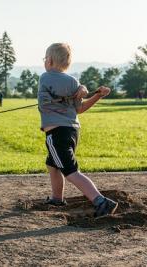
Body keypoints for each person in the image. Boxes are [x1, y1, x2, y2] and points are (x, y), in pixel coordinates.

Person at [37, 43, 117, 217]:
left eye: (45, 58)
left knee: (70, 171)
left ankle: (100, 201)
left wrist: (81, 91)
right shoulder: (74, 82)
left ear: (49, 61)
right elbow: (79, 109)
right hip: (72, 131)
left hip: (56, 133)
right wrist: (96, 94)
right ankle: (57, 198)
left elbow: (51, 94)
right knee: (52, 165)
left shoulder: (44, 77)